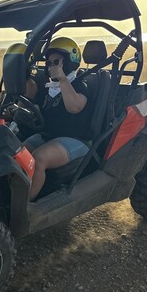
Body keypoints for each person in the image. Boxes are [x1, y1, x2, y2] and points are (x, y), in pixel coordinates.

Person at [23, 36, 92, 201]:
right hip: (49, 135)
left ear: (69, 62)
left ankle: (26, 205)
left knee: (38, 159)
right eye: (49, 63)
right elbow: (36, 106)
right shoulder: (49, 87)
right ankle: (13, 193)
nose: (51, 66)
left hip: (76, 139)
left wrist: (62, 79)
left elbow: (74, 107)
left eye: (56, 62)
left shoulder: (79, 84)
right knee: (18, 153)